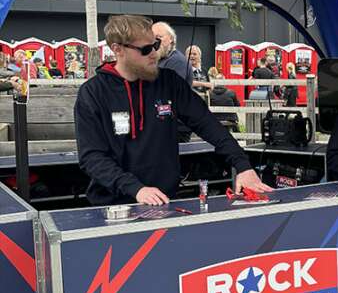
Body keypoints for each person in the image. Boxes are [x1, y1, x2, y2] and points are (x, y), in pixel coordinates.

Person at [74, 15, 271, 206]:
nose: (154, 54)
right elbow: (92, 157)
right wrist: (137, 189)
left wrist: (242, 165)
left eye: (156, 45)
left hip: (165, 201)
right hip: (113, 205)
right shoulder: (93, 93)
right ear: (117, 49)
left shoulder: (169, 82)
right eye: (146, 49)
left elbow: (206, 123)